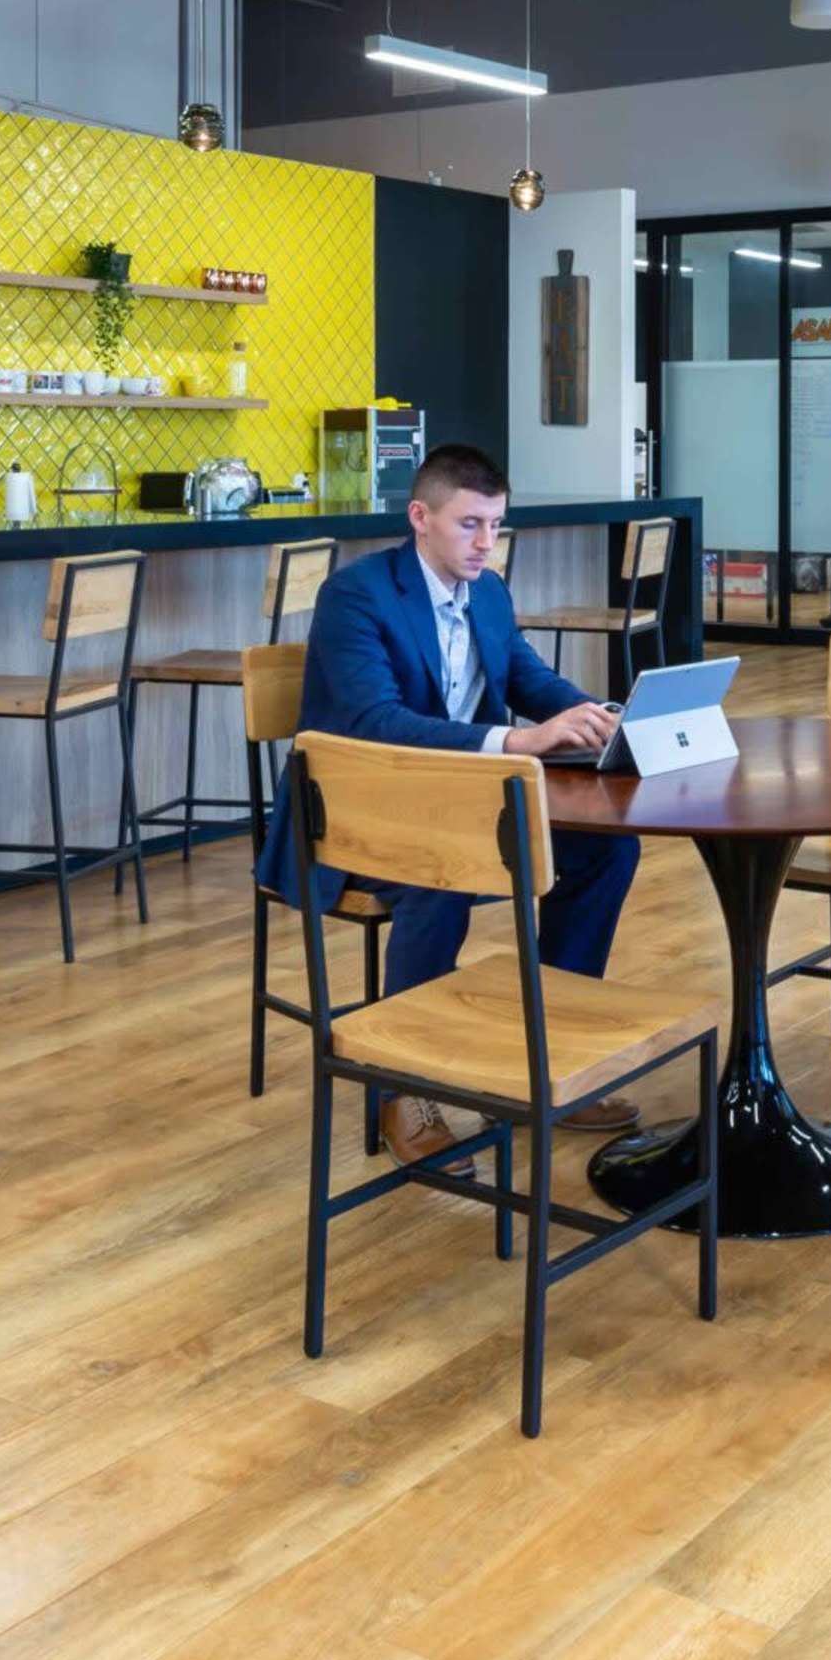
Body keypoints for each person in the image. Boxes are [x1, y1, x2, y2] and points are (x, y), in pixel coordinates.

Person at [259, 442, 642, 1163]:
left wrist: (593, 715)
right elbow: (377, 722)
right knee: (444, 877)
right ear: (420, 518)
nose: (485, 543)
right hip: (360, 808)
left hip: (459, 800)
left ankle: (547, 1057)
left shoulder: (489, 591)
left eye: (495, 525)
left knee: (608, 849)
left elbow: (529, 679)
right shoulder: (357, 595)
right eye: (470, 524)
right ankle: (407, 1091)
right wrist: (519, 744)